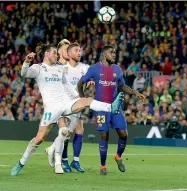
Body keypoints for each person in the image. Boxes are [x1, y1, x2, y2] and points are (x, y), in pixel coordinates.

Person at [10, 44, 124, 176]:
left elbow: (67, 84)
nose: (56, 55)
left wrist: (77, 98)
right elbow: (24, 73)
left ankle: (111, 107)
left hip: (65, 103)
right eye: (54, 53)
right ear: (46, 54)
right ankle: (21, 163)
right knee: (39, 138)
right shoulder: (38, 68)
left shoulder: (60, 68)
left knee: (86, 101)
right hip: (51, 108)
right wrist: (26, 62)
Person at [77, 45, 146, 175]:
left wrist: (135, 92)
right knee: (104, 134)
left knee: (124, 134)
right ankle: (103, 166)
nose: (114, 55)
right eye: (111, 53)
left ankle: (118, 156)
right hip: (101, 108)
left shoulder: (117, 69)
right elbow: (80, 83)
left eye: (115, 52)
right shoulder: (94, 69)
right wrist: (82, 99)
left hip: (115, 107)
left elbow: (122, 85)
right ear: (104, 54)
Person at [45, 40, 88, 173]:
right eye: (63, 50)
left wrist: (91, 80)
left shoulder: (83, 67)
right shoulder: (60, 68)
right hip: (64, 104)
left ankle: (75, 160)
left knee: (78, 130)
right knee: (66, 132)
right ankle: (62, 161)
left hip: (77, 103)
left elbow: (89, 78)